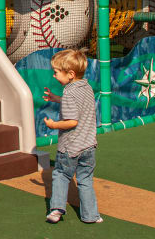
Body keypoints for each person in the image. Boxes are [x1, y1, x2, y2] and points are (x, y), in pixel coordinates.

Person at [42, 49, 103, 224]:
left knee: (61, 175)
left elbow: (71, 121)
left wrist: (53, 125)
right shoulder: (86, 87)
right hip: (89, 146)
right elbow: (78, 104)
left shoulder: (69, 92)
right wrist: (56, 98)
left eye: (56, 72)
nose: (54, 76)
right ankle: (91, 215)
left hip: (70, 147)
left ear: (70, 74)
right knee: (85, 180)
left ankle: (56, 209)